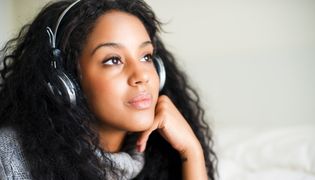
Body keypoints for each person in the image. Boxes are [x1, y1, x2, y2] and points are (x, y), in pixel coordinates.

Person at [0, 0, 217, 179]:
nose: (141, 76)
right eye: (113, 60)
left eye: (146, 57)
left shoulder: (157, 156)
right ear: (65, 81)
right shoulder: (10, 157)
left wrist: (191, 151)